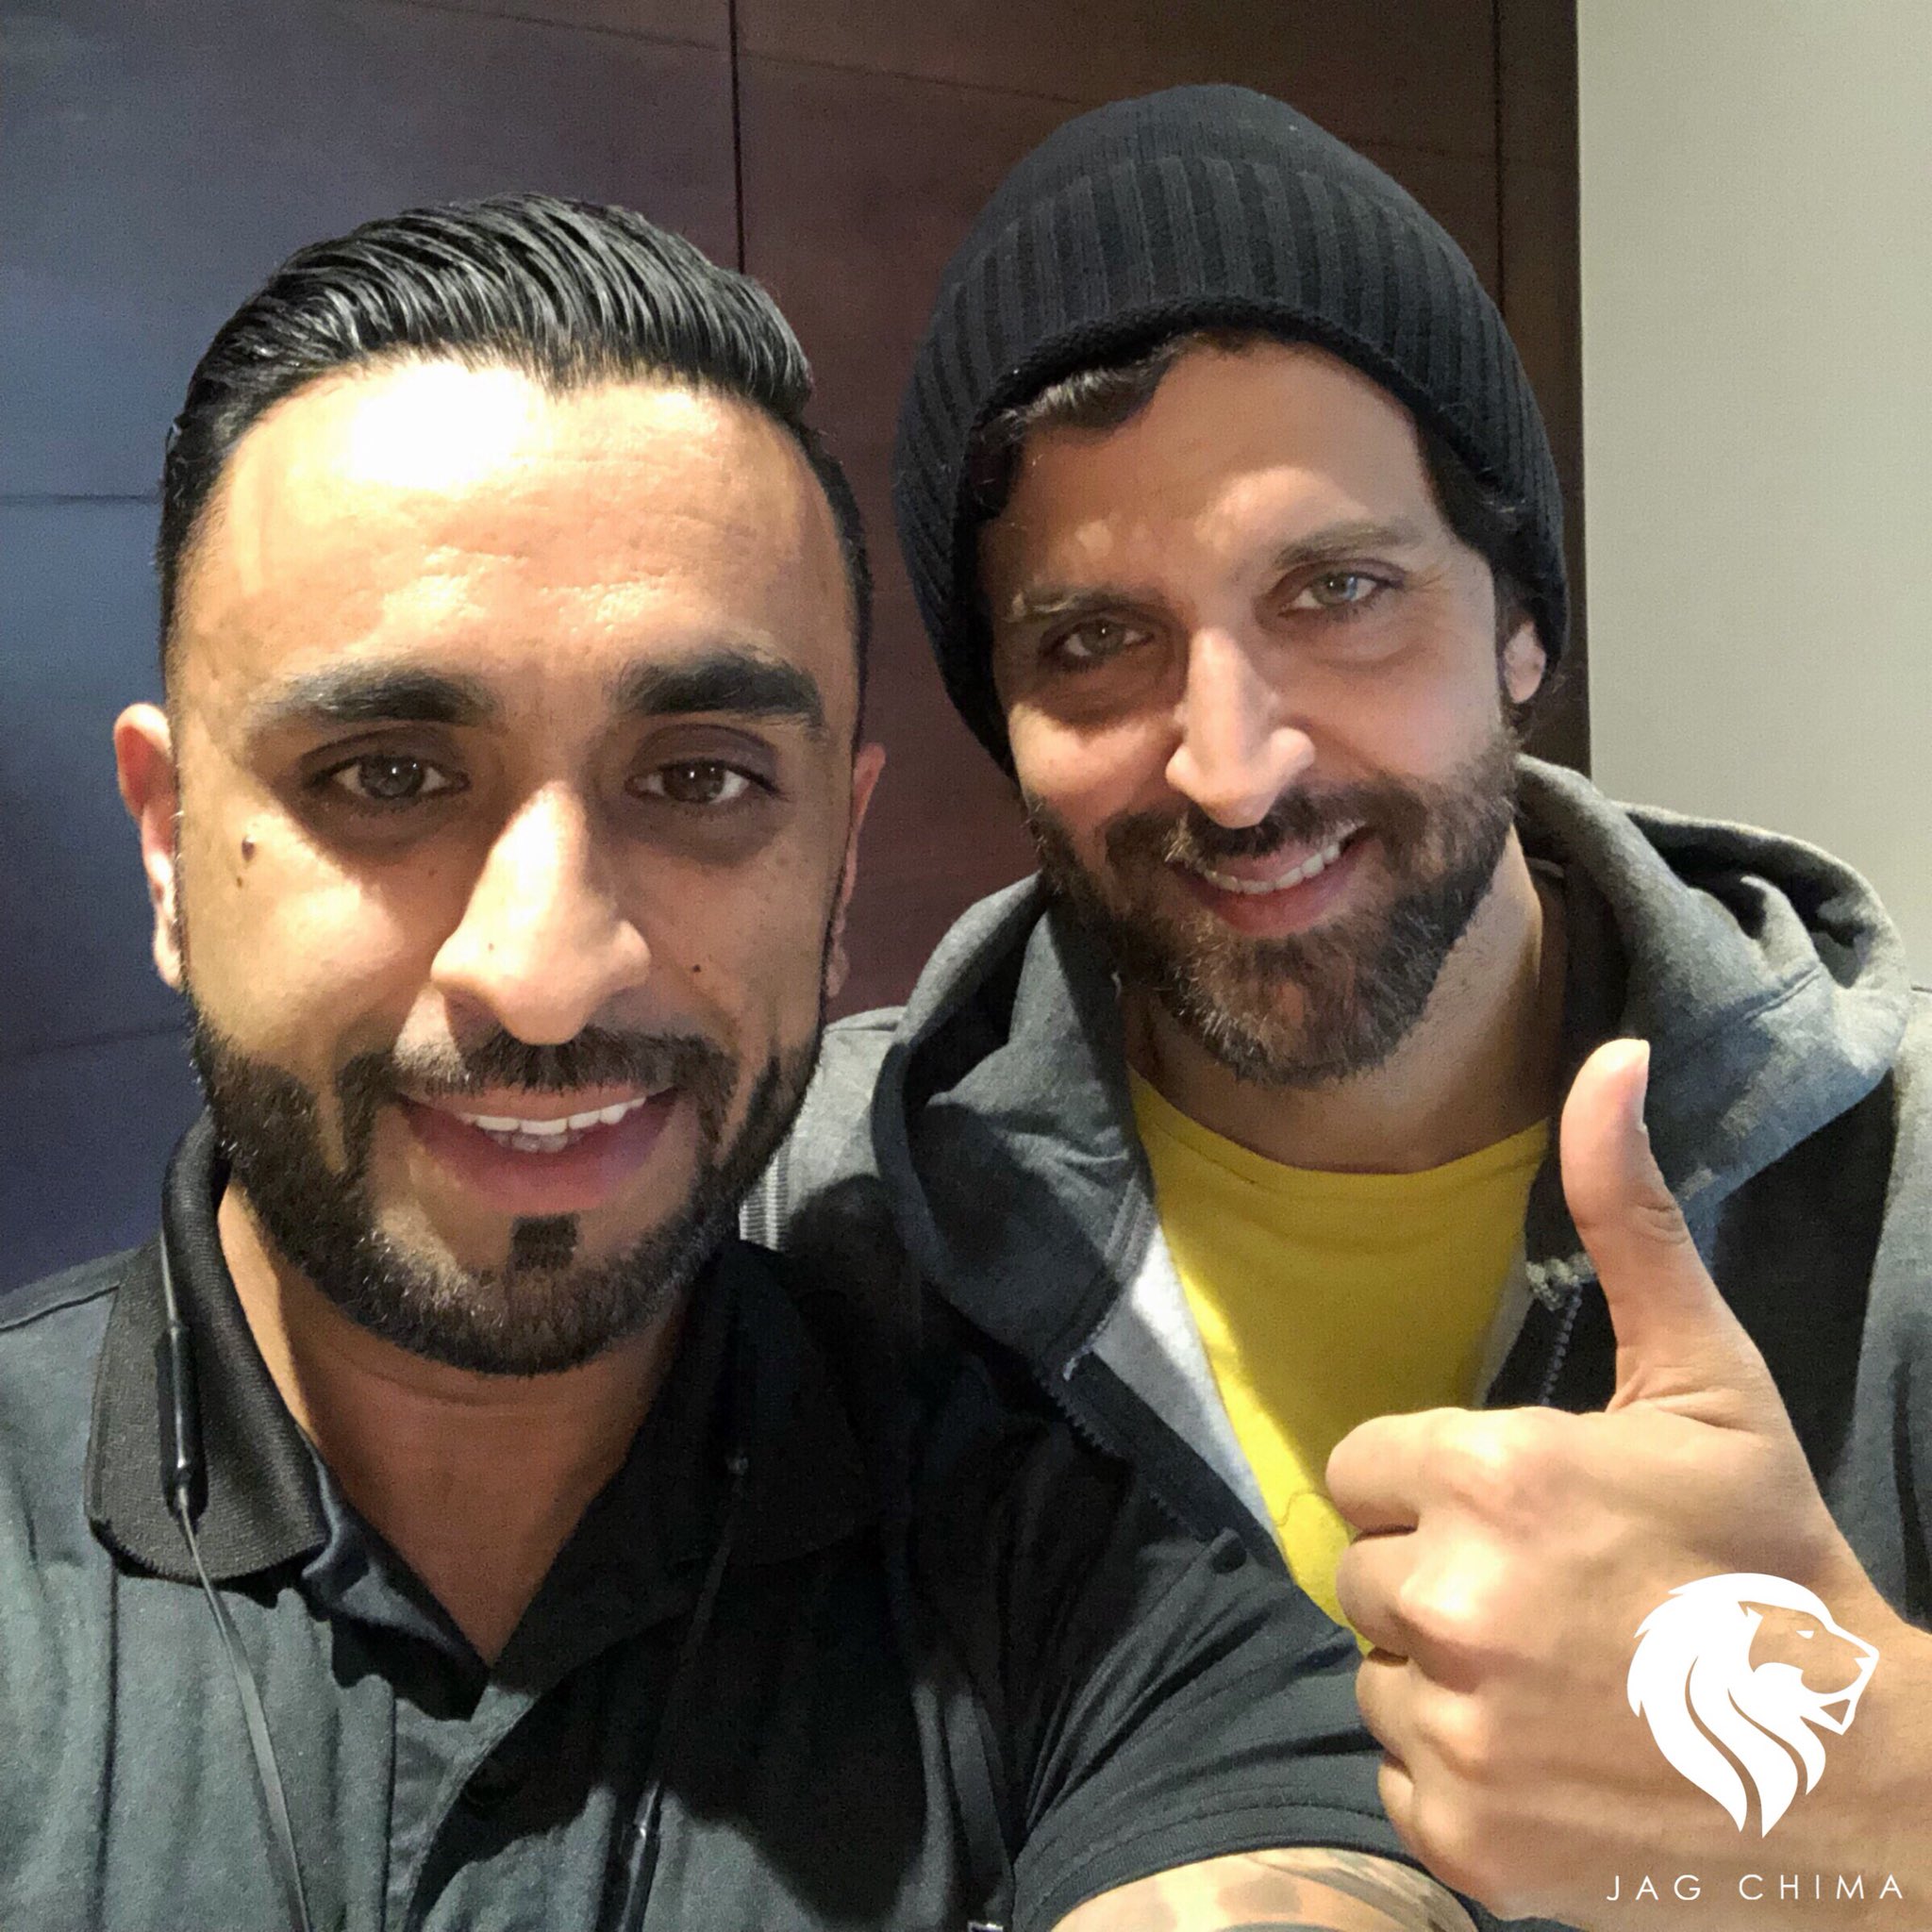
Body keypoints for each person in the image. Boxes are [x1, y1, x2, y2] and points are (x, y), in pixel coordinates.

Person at [0, 192, 1479, 1932]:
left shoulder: (1068, 1568)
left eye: (700, 780)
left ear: (840, 868)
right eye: (386, 777)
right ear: (169, 846)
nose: (545, 974)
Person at [751, 88, 1932, 1927]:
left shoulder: (1900, 1182)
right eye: (1092, 643)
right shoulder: (816, 1220)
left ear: (1522, 623)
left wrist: (1879, 1798)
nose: (1233, 768)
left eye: (1341, 591)